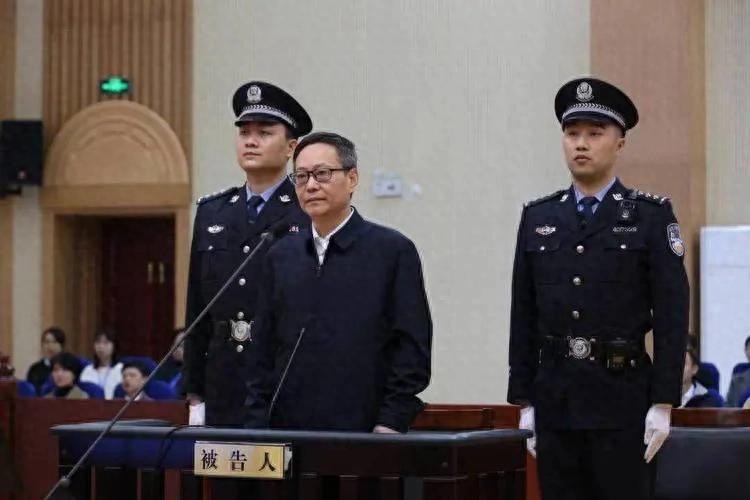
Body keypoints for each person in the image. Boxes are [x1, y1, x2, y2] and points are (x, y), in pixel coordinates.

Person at [507, 77, 689, 500]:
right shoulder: (539, 217)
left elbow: (672, 312)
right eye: (572, 134)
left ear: (619, 143)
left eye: (594, 133)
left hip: (622, 398)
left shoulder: (650, 216)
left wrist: (663, 401)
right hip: (556, 399)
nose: (581, 144)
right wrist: (524, 399)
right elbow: (523, 311)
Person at [244, 132, 432, 433]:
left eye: (322, 174)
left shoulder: (391, 251)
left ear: (352, 178)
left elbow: (411, 348)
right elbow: (262, 350)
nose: (311, 185)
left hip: (364, 431)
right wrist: (257, 423)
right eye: (301, 176)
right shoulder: (281, 255)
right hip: (287, 430)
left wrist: (391, 421)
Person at [182, 81, 312, 427]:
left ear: (291, 147)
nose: (250, 141)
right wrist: (194, 391)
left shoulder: (307, 209)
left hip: (282, 377)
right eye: (244, 133)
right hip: (223, 381)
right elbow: (197, 307)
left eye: (264, 133)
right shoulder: (213, 212)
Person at [79, 329, 123, 399]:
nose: (101, 346)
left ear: (114, 346)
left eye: (106, 343)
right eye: (98, 342)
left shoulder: (121, 369)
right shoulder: (88, 370)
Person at [26, 326, 66, 394]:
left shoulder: (68, 368)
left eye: (54, 342)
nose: (50, 346)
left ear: (61, 346)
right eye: (47, 342)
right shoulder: (35, 369)